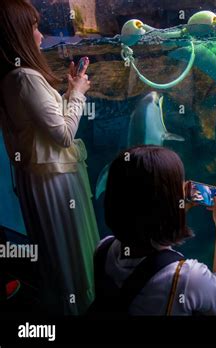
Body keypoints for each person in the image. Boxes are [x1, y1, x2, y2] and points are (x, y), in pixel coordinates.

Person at [0, 0, 99, 315]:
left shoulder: (9, 77)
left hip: (38, 179)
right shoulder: (26, 77)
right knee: (72, 254)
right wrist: (80, 91)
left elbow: (44, 128)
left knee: (56, 259)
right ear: (18, 33)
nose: (41, 36)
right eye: (34, 28)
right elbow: (64, 135)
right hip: (56, 182)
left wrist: (68, 92)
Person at [95, 145, 216, 315]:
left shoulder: (103, 250)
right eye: (178, 183)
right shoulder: (187, 278)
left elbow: (146, 226)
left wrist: (175, 210)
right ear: (168, 204)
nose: (185, 185)